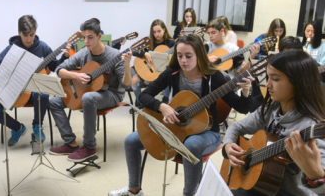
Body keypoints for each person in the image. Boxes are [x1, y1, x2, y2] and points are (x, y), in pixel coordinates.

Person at [109, 34, 253, 196]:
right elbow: (144, 96)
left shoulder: (215, 77)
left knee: (191, 145)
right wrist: (162, 106)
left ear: (199, 55)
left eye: (188, 56)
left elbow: (242, 107)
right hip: (176, 127)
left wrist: (246, 91)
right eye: (179, 56)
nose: (183, 60)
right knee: (130, 141)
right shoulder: (173, 72)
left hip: (208, 133)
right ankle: (133, 190)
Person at [223, 50, 325, 196]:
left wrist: (315, 175)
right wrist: (228, 145)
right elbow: (236, 126)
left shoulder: (310, 126)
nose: (268, 85)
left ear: (299, 82)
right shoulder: (271, 108)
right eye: (268, 78)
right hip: (261, 185)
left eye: (275, 79)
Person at [48, 18, 132, 162]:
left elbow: (126, 86)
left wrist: (127, 66)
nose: (86, 41)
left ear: (99, 36)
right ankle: (70, 143)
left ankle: (89, 146)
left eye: (90, 37)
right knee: (54, 102)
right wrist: (76, 75)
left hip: (111, 93)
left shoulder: (114, 56)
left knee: (88, 98)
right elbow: (59, 69)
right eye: (84, 37)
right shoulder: (83, 53)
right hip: (88, 91)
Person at [0, 15, 69, 146]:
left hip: (33, 92)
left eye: (32, 34)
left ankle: (37, 125)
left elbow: (55, 67)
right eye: (25, 35)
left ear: (36, 31)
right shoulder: (11, 49)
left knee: (42, 94)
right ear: (19, 33)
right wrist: (15, 69)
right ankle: (17, 128)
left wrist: (65, 57)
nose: (29, 39)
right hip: (14, 90)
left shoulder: (42, 47)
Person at [131, 19, 175, 107]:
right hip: (150, 70)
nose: (157, 34)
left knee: (167, 74)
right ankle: (141, 103)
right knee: (134, 81)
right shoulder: (149, 42)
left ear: (164, 30)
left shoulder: (171, 43)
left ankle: (165, 100)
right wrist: (145, 53)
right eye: (154, 32)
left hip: (162, 71)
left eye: (159, 31)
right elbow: (133, 51)